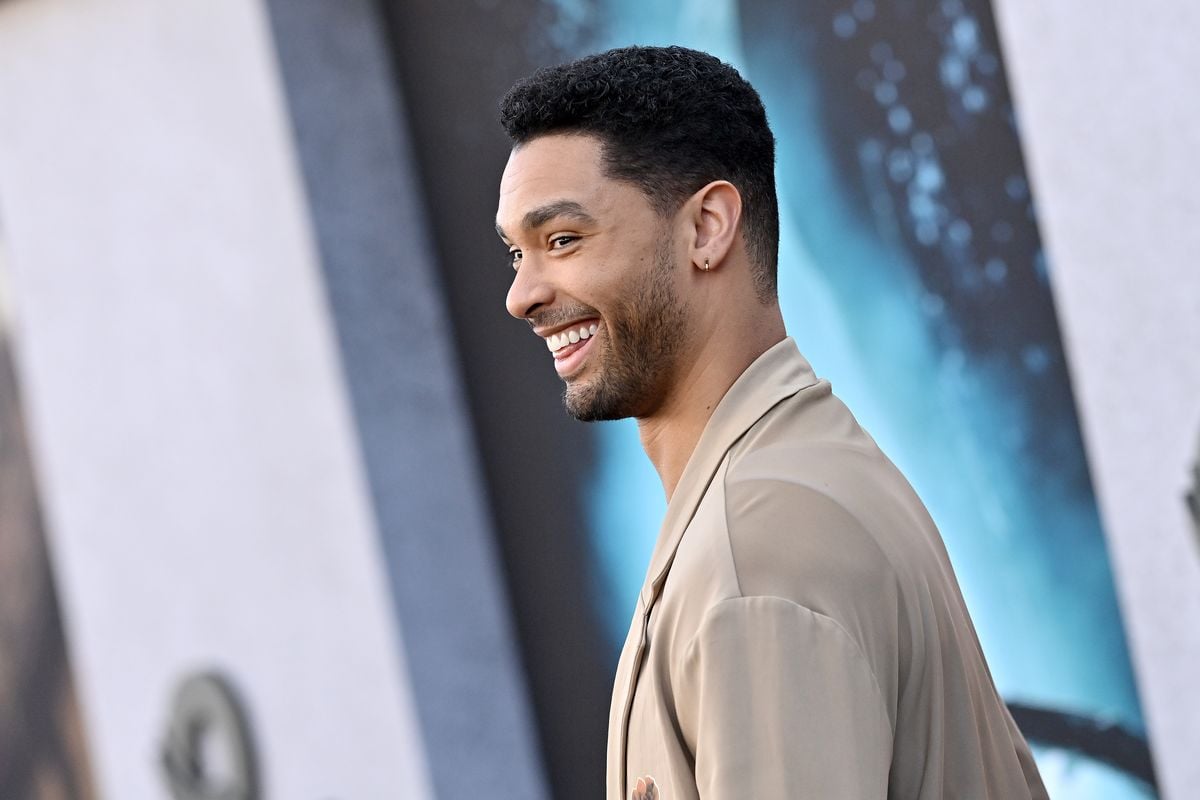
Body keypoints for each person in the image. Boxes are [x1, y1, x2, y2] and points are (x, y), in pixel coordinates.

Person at [495, 45, 1048, 800]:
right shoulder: (796, 474)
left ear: (709, 226)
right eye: (515, 254)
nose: (522, 295)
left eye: (562, 240)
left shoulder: (758, 545)